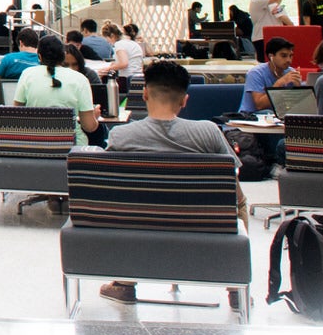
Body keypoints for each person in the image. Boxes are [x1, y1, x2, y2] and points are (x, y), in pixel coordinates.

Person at [96, 61, 243, 307]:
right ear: (185, 100)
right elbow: (232, 186)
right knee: (239, 201)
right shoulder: (209, 132)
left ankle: (124, 283)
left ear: (144, 94)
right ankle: (236, 287)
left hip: (140, 230)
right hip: (202, 228)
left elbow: (112, 190)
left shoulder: (121, 136)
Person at [14, 33, 100, 147]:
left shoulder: (27, 74)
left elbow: (16, 115)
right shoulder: (80, 79)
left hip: (35, 144)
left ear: (39, 56)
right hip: (72, 147)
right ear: (63, 55)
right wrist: (95, 117)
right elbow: (89, 127)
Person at [240, 37, 304, 114]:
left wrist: (298, 89)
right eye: (283, 56)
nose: (288, 60)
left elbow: (295, 105)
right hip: (252, 117)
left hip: (278, 117)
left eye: (290, 56)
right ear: (271, 57)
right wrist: (279, 83)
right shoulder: (256, 73)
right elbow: (260, 105)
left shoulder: (291, 72)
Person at [98, 23, 144, 91]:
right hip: (138, 77)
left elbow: (124, 63)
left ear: (112, 36)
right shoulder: (133, 43)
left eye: (107, 39)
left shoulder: (119, 45)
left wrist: (108, 68)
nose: (108, 42)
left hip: (126, 79)